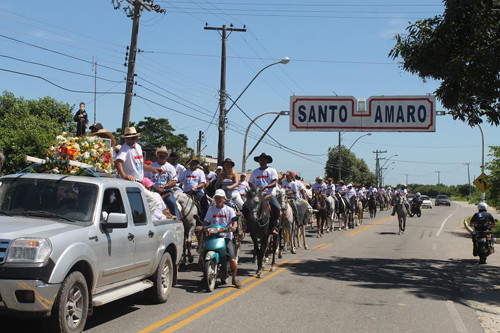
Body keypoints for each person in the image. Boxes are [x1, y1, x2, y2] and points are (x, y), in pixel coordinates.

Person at [198, 189, 241, 288]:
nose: (218, 199)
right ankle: (205, 276)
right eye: (216, 198)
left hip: (226, 237)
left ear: (224, 199)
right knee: (201, 258)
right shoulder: (211, 209)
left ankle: (234, 278)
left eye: (220, 198)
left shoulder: (230, 210)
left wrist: (233, 227)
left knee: (233, 261)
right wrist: (202, 227)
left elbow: (234, 222)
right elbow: (206, 222)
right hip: (212, 236)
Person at [114, 127, 163, 214]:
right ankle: (144, 223)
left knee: (141, 204)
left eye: (132, 138)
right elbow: (118, 162)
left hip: (138, 182)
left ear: (136, 138)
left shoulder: (138, 147)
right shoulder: (125, 148)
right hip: (132, 183)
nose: (130, 140)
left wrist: (153, 169)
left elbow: (140, 164)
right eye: (127, 138)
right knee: (152, 201)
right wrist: (125, 176)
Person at [248, 152, 280, 235]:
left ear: (267, 161)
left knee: (276, 207)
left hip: (269, 194)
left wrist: (266, 187)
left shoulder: (272, 170)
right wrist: (254, 187)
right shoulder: (255, 172)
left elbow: (274, 183)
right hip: (258, 195)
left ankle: (274, 226)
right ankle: (247, 225)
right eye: (260, 160)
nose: (262, 161)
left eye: (263, 160)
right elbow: (250, 182)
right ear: (258, 161)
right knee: (246, 206)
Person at [146, 146, 180, 218]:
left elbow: (174, 181)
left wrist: (164, 186)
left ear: (166, 156)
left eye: (164, 153)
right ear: (157, 155)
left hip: (166, 192)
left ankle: (176, 219)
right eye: (160, 153)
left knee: (172, 202)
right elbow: (146, 178)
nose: (162, 155)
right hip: (153, 191)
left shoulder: (170, 167)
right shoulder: (152, 166)